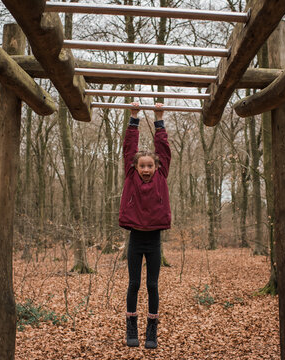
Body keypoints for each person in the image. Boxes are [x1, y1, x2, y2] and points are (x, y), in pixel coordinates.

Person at [119, 102, 171, 349]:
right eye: (143, 166)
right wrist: (134, 117)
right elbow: (129, 148)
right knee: (134, 284)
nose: (147, 169)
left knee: (152, 285)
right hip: (136, 239)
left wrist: (159, 119)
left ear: (157, 167)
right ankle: (131, 326)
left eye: (150, 165)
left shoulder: (161, 174)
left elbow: (164, 148)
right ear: (135, 167)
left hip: (154, 240)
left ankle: (152, 329)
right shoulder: (131, 176)